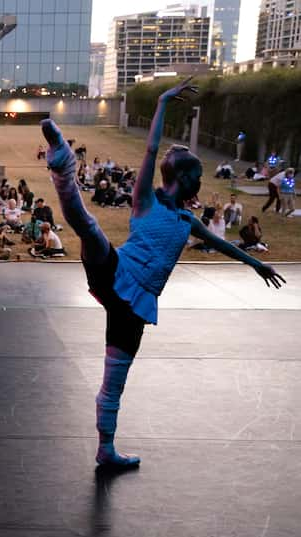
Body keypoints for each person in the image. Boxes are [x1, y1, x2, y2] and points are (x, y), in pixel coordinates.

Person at [40, 77, 284, 469]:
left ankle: (106, 450)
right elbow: (152, 149)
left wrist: (258, 265)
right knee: (87, 228)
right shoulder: (143, 199)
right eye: (198, 175)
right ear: (184, 178)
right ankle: (63, 170)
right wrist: (163, 101)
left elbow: (223, 244)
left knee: (113, 384)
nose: (202, 180)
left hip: (134, 308)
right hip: (116, 271)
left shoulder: (188, 220)